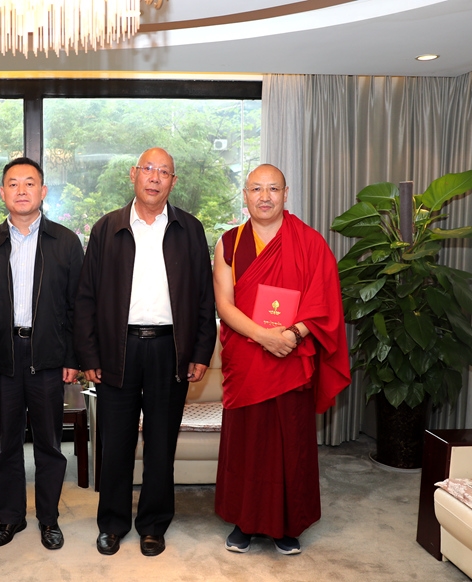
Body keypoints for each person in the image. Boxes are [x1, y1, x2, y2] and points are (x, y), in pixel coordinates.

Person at [74, 147, 217, 557]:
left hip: (171, 350)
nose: (155, 177)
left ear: (173, 181)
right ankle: (112, 523)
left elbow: (204, 297)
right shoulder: (107, 228)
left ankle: (153, 524)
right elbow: (86, 298)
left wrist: (201, 351)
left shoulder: (190, 229)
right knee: (115, 443)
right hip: (118, 349)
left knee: (160, 444)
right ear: (133, 174)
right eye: (148, 169)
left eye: (164, 172)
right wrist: (89, 356)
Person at [213, 163, 351, 555]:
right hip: (247, 356)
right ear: (245, 195)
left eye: (273, 189)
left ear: (286, 194)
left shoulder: (309, 242)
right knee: (247, 442)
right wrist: (263, 337)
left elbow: (324, 301)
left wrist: (292, 335)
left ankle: (287, 525)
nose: (265, 197)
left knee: (290, 442)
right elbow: (224, 304)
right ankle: (244, 521)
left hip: (291, 354)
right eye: (256, 189)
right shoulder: (229, 243)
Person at [0, 157, 84, 550]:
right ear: (2, 192)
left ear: (43, 191)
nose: (21, 190)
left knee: (49, 444)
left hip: (49, 356)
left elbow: (77, 306)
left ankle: (48, 519)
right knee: (7, 443)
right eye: (13, 183)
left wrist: (73, 358)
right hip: (4, 356)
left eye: (29, 183)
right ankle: (10, 518)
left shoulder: (66, 242)